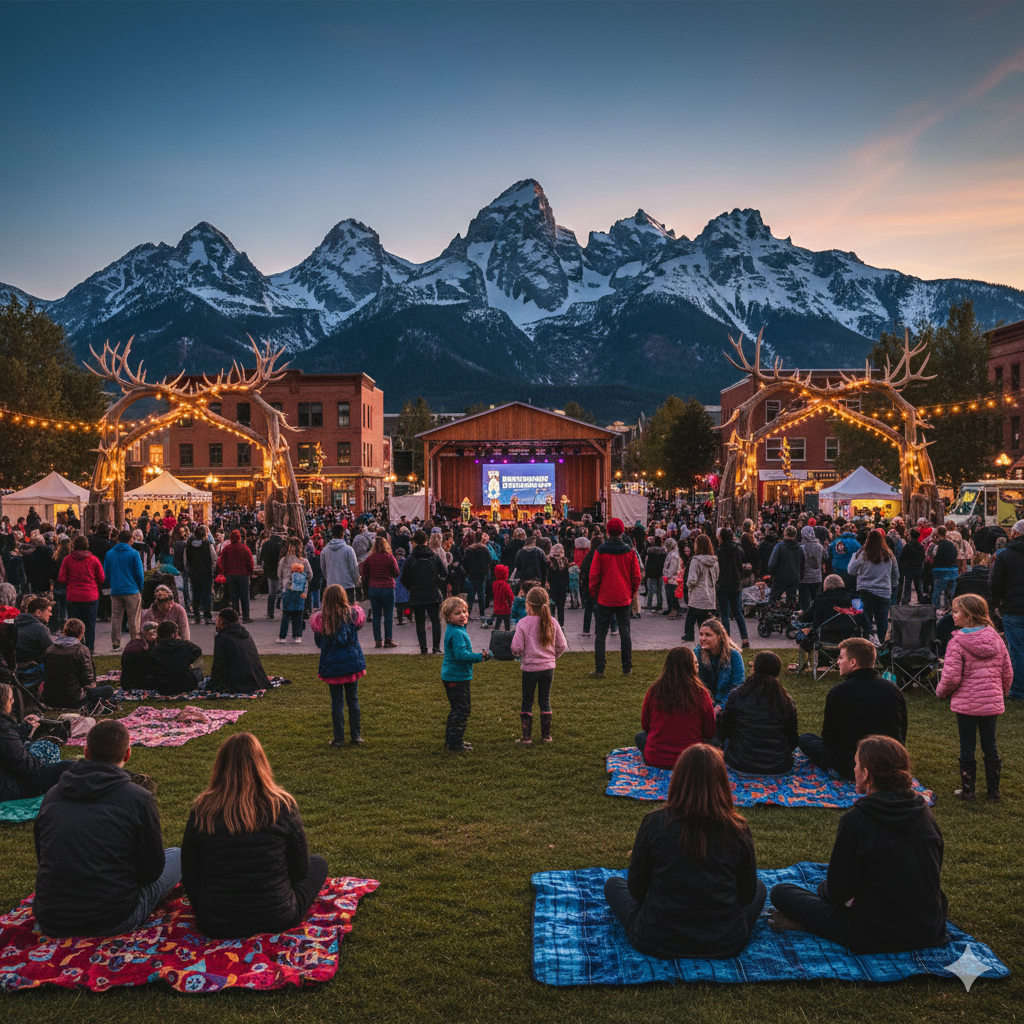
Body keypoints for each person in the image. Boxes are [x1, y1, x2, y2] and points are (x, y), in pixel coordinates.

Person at [769, 735, 948, 953]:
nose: (854, 769)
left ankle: (813, 925)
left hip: (872, 932)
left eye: (856, 764)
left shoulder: (858, 820)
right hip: (927, 927)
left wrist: (824, 889)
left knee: (781, 892)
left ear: (866, 775)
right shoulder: (923, 812)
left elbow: (837, 894)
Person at [604, 743, 766, 959]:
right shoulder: (737, 829)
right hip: (724, 940)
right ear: (722, 782)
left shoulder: (655, 823)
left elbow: (636, 890)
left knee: (614, 884)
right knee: (760, 887)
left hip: (655, 938)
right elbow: (746, 896)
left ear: (678, 779)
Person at [32, 718, 181, 937]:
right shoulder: (138, 798)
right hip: (113, 917)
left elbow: (42, 855)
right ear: (127, 754)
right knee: (177, 855)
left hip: (52, 917)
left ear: (86, 752)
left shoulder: (53, 794)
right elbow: (151, 871)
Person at [181, 732, 329, 938]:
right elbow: (300, 870)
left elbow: (190, 872)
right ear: (261, 763)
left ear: (220, 767)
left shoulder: (203, 809)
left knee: (317, 862)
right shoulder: (282, 806)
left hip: (216, 921)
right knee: (318, 863)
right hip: (276, 916)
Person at [935, 594, 1012, 800]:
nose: (953, 616)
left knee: (967, 745)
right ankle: (993, 791)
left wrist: (940, 692)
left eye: (956, 611)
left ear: (968, 616)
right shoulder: (996, 638)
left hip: (966, 704)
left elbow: (951, 677)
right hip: (991, 702)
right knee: (990, 744)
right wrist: (1002, 692)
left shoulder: (957, 642)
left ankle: (969, 791)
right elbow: (1007, 671)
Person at [798, 637, 907, 780]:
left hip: (851, 766)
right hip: (889, 762)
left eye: (841, 657)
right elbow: (902, 732)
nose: (837, 662)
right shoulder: (893, 689)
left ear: (853, 662)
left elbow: (829, 740)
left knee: (805, 739)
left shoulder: (839, 692)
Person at [717, 651, 798, 775]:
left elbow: (726, 730)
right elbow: (792, 739)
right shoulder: (786, 700)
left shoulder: (737, 694)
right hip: (778, 765)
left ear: (754, 667)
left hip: (740, 763)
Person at [635, 647, 716, 768]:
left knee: (641, 737)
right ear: (690, 666)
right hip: (690, 762)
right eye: (695, 662)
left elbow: (646, 726)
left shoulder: (654, 690)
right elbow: (710, 732)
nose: (698, 665)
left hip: (656, 759)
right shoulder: (701, 693)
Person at [0, 681, 79, 800]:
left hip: (8, 780)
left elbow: (8, 749)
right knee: (69, 767)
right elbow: (26, 767)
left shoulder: (6, 729)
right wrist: (40, 757)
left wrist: (24, 730)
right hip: (10, 787)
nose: (13, 702)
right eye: (10, 699)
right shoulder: (4, 729)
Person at [510, 585, 567, 745]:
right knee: (545, 699)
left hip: (529, 668)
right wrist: (551, 657)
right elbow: (562, 645)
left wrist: (519, 654)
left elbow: (516, 648)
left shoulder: (523, 623)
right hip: (548, 668)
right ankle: (546, 736)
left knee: (527, 700)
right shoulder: (553, 622)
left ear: (528, 604)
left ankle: (526, 737)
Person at [312, 584, 366, 747]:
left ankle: (338, 738)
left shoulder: (321, 620)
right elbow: (359, 626)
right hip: (351, 662)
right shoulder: (352, 615)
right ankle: (356, 736)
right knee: (353, 699)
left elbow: (319, 644)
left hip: (333, 665)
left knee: (337, 702)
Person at [589, 518, 642, 679]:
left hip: (605, 597)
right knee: (625, 632)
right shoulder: (630, 551)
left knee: (601, 634)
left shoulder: (600, 551)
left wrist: (596, 593)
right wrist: (630, 593)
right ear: (622, 532)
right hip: (623, 597)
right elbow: (636, 577)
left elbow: (594, 576)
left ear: (607, 532)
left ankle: (600, 668)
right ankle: (627, 667)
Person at [439, 596, 493, 752]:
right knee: (462, 709)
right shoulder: (457, 633)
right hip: (456, 677)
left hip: (454, 675)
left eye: (465, 611)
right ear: (448, 617)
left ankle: (452, 741)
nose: (463, 615)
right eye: (457, 613)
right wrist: (481, 657)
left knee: (457, 709)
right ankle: (455, 744)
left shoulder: (456, 629)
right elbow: (461, 655)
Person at [42, 618, 115, 709]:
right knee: (108, 690)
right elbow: (88, 682)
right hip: (74, 700)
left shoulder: (50, 649)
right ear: (81, 633)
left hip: (50, 699)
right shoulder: (81, 650)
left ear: (64, 631)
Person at [988, 519, 1024, 700]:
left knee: (1017, 648)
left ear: (1015, 534)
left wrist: (995, 604)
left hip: (1013, 608)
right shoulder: (1005, 555)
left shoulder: (1005, 555)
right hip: (1012, 606)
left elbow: (995, 583)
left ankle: (1018, 689)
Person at [401, 530, 448, 656]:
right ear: (426, 541)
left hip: (417, 593)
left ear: (414, 542)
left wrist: (411, 587)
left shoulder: (411, 558)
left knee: (420, 621)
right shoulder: (433, 556)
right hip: (432, 591)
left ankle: (423, 648)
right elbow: (444, 572)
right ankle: (436, 647)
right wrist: (437, 581)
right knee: (435, 621)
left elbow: (403, 578)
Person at [848, 528, 899, 639]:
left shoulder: (863, 554)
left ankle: (867, 642)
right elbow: (896, 574)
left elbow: (851, 571)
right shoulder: (889, 555)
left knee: (866, 621)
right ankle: (881, 643)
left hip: (865, 591)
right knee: (882, 620)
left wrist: (854, 556)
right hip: (883, 592)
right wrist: (892, 586)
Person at [207, 608, 267, 694]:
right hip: (255, 678)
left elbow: (219, 663)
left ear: (222, 620)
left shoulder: (223, 637)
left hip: (238, 682)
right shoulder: (243, 632)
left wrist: (212, 684)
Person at [104, 529, 145, 651]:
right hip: (132, 589)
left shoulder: (110, 554)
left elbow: (106, 572)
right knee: (134, 618)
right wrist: (140, 587)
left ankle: (116, 642)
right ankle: (134, 642)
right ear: (130, 539)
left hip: (116, 589)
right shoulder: (134, 553)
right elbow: (139, 573)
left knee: (116, 617)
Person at [360, 535, 400, 649]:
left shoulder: (370, 558)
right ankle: (388, 639)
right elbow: (396, 572)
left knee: (376, 615)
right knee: (388, 614)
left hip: (374, 588)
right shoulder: (389, 557)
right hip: (387, 587)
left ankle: (377, 640)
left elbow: (364, 572)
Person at [694, 618, 745, 706]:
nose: (703, 638)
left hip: (728, 703)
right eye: (701, 634)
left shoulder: (734, 655)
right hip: (702, 704)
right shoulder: (696, 654)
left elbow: (737, 686)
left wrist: (721, 706)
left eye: (708, 635)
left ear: (719, 636)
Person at [148, 619, 203, 696]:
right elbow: (198, 651)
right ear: (174, 634)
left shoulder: (157, 648)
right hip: (185, 684)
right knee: (198, 672)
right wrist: (187, 661)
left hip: (163, 686)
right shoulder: (184, 645)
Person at [715, 527, 749, 649]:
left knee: (724, 614)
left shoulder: (719, 552)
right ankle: (745, 639)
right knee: (738, 612)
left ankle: (727, 640)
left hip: (723, 584)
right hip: (736, 584)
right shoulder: (739, 550)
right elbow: (742, 566)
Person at [811, 574, 869, 644]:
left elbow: (806, 619)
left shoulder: (821, 600)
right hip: (852, 639)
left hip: (826, 639)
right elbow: (866, 623)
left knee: (804, 630)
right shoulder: (855, 600)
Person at [681, 534, 718, 643]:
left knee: (691, 618)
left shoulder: (696, 561)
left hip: (697, 594)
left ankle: (689, 635)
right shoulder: (714, 561)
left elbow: (692, 579)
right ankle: (707, 636)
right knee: (703, 619)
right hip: (709, 594)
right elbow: (716, 577)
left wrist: (689, 586)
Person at [218, 529, 255, 622]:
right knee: (244, 596)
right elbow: (250, 562)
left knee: (234, 597)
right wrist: (250, 571)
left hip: (231, 575)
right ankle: (246, 616)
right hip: (243, 575)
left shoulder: (226, 549)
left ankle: (236, 617)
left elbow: (222, 561)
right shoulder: (244, 548)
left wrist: (225, 572)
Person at [185, 525, 216, 625]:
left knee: (196, 595)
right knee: (206, 594)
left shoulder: (189, 546)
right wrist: (212, 569)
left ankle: (197, 616)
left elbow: (185, 560)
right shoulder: (208, 545)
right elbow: (214, 558)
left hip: (194, 573)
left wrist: (189, 570)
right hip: (206, 573)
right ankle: (207, 616)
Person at [321, 525, 360, 604]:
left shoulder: (325, 551)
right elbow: (354, 568)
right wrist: (356, 582)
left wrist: (329, 579)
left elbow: (323, 568)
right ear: (343, 534)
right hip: (347, 585)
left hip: (331, 586)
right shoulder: (348, 550)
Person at [767, 526, 805, 605]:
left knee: (773, 599)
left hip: (780, 577)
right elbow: (803, 565)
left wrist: (773, 574)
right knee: (791, 601)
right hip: (794, 578)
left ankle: (773, 614)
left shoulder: (780, 546)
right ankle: (789, 615)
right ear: (795, 535)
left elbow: (771, 563)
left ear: (785, 534)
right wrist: (800, 576)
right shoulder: (800, 549)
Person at [13, 596, 54, 665]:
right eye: (48, 611)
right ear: (38, 612)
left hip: (14, 665)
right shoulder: (40, 628)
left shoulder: (16, 621)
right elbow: (51, 651)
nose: (51, 614)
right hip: (30, 667)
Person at [277, 560, 309, 644]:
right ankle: (297, 636)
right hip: (299, 600)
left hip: (288, 599)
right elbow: (305, 587)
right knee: (298, 617)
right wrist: (305, 594)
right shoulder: (304, 577)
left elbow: (283, 587)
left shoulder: (288, 577)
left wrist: (280, 595)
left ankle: (282, 637)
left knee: (286, 616)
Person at [928, 525, 959, 611]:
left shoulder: (936, 545)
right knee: (950, 593)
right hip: (953, 571)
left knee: (937, 592)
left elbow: (931, 556)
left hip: (940, 571)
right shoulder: (952, 545)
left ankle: (935, 610)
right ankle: (950, 609)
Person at [121, 621, 158, 690]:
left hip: (127, 681)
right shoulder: (142, 647)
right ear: (148, 633)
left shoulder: (135, 643)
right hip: (137, 683)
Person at [798, 525, 825, 613]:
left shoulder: (801, 547)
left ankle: (806, 616)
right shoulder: (819, 546)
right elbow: (827, 556)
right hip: (817, 577)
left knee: (804, 599)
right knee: (816, 598)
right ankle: (816, 615)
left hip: (804, 578)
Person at [260, 528, 285, 620]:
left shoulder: (266, 544)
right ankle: (285, 612)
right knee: (283, 590)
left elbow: (261, 557)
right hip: (282, 569)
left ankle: (270, 613)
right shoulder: (283, 544)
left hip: (270, 570)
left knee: (272, 593)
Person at [897, 527, 926, 605]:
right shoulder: (920, 546)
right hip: (917, 568)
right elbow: (923, 556)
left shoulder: (907, 546)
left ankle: (906, 599)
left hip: (908, 569)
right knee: (918, 585)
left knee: (907, 585)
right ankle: (920, 598)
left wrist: (904, 565)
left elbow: (902, 557)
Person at [828, 525, 862, 591]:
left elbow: (829, 553)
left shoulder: (835, 542)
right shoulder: (855, 543)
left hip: (837, 569)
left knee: (839, 588)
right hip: (851, 571)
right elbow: (861, 554)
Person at [643, 534, 667, 613]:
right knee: (659, 589)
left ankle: (649, 604)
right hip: (659, 572)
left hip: (650, 571)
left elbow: (646, 561)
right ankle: (659, 604)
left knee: (650, 589)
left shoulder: (649, 550)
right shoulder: (663, 551)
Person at [490, 563, 513, 631]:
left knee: (498, 623)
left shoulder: (494, 584)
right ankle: (507, 637)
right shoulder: (506, 585)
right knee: (507, 625)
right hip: (506, 608)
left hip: (497, 607)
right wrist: (511, 605)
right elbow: (510, 597)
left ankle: (495, 635)